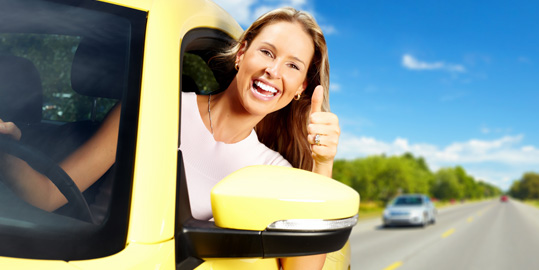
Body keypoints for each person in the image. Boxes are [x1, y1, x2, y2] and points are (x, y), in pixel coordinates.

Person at [0, 7, 338, 270]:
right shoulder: (156, 106)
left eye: (293, 66)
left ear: (300, 90)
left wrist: (323, 165)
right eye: (267, 52)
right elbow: (45, 196)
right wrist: (7, 147)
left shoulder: (275, 172)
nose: (274, 71)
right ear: (242, 54)